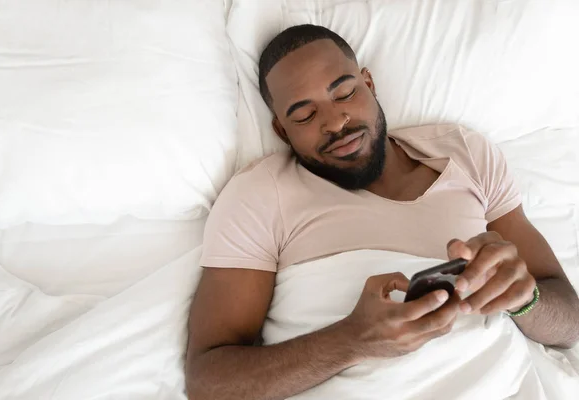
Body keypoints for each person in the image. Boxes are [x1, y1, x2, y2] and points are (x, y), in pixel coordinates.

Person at [185, 24, 579, 400]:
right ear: (282, 131)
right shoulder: (258, 195)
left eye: (344, 93)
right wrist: (350, 340)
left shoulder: (466, 154)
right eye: (304, 116)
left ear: (369, 85)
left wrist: (525, 299)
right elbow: (210, 383)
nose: (335, 122)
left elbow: (569, 323)